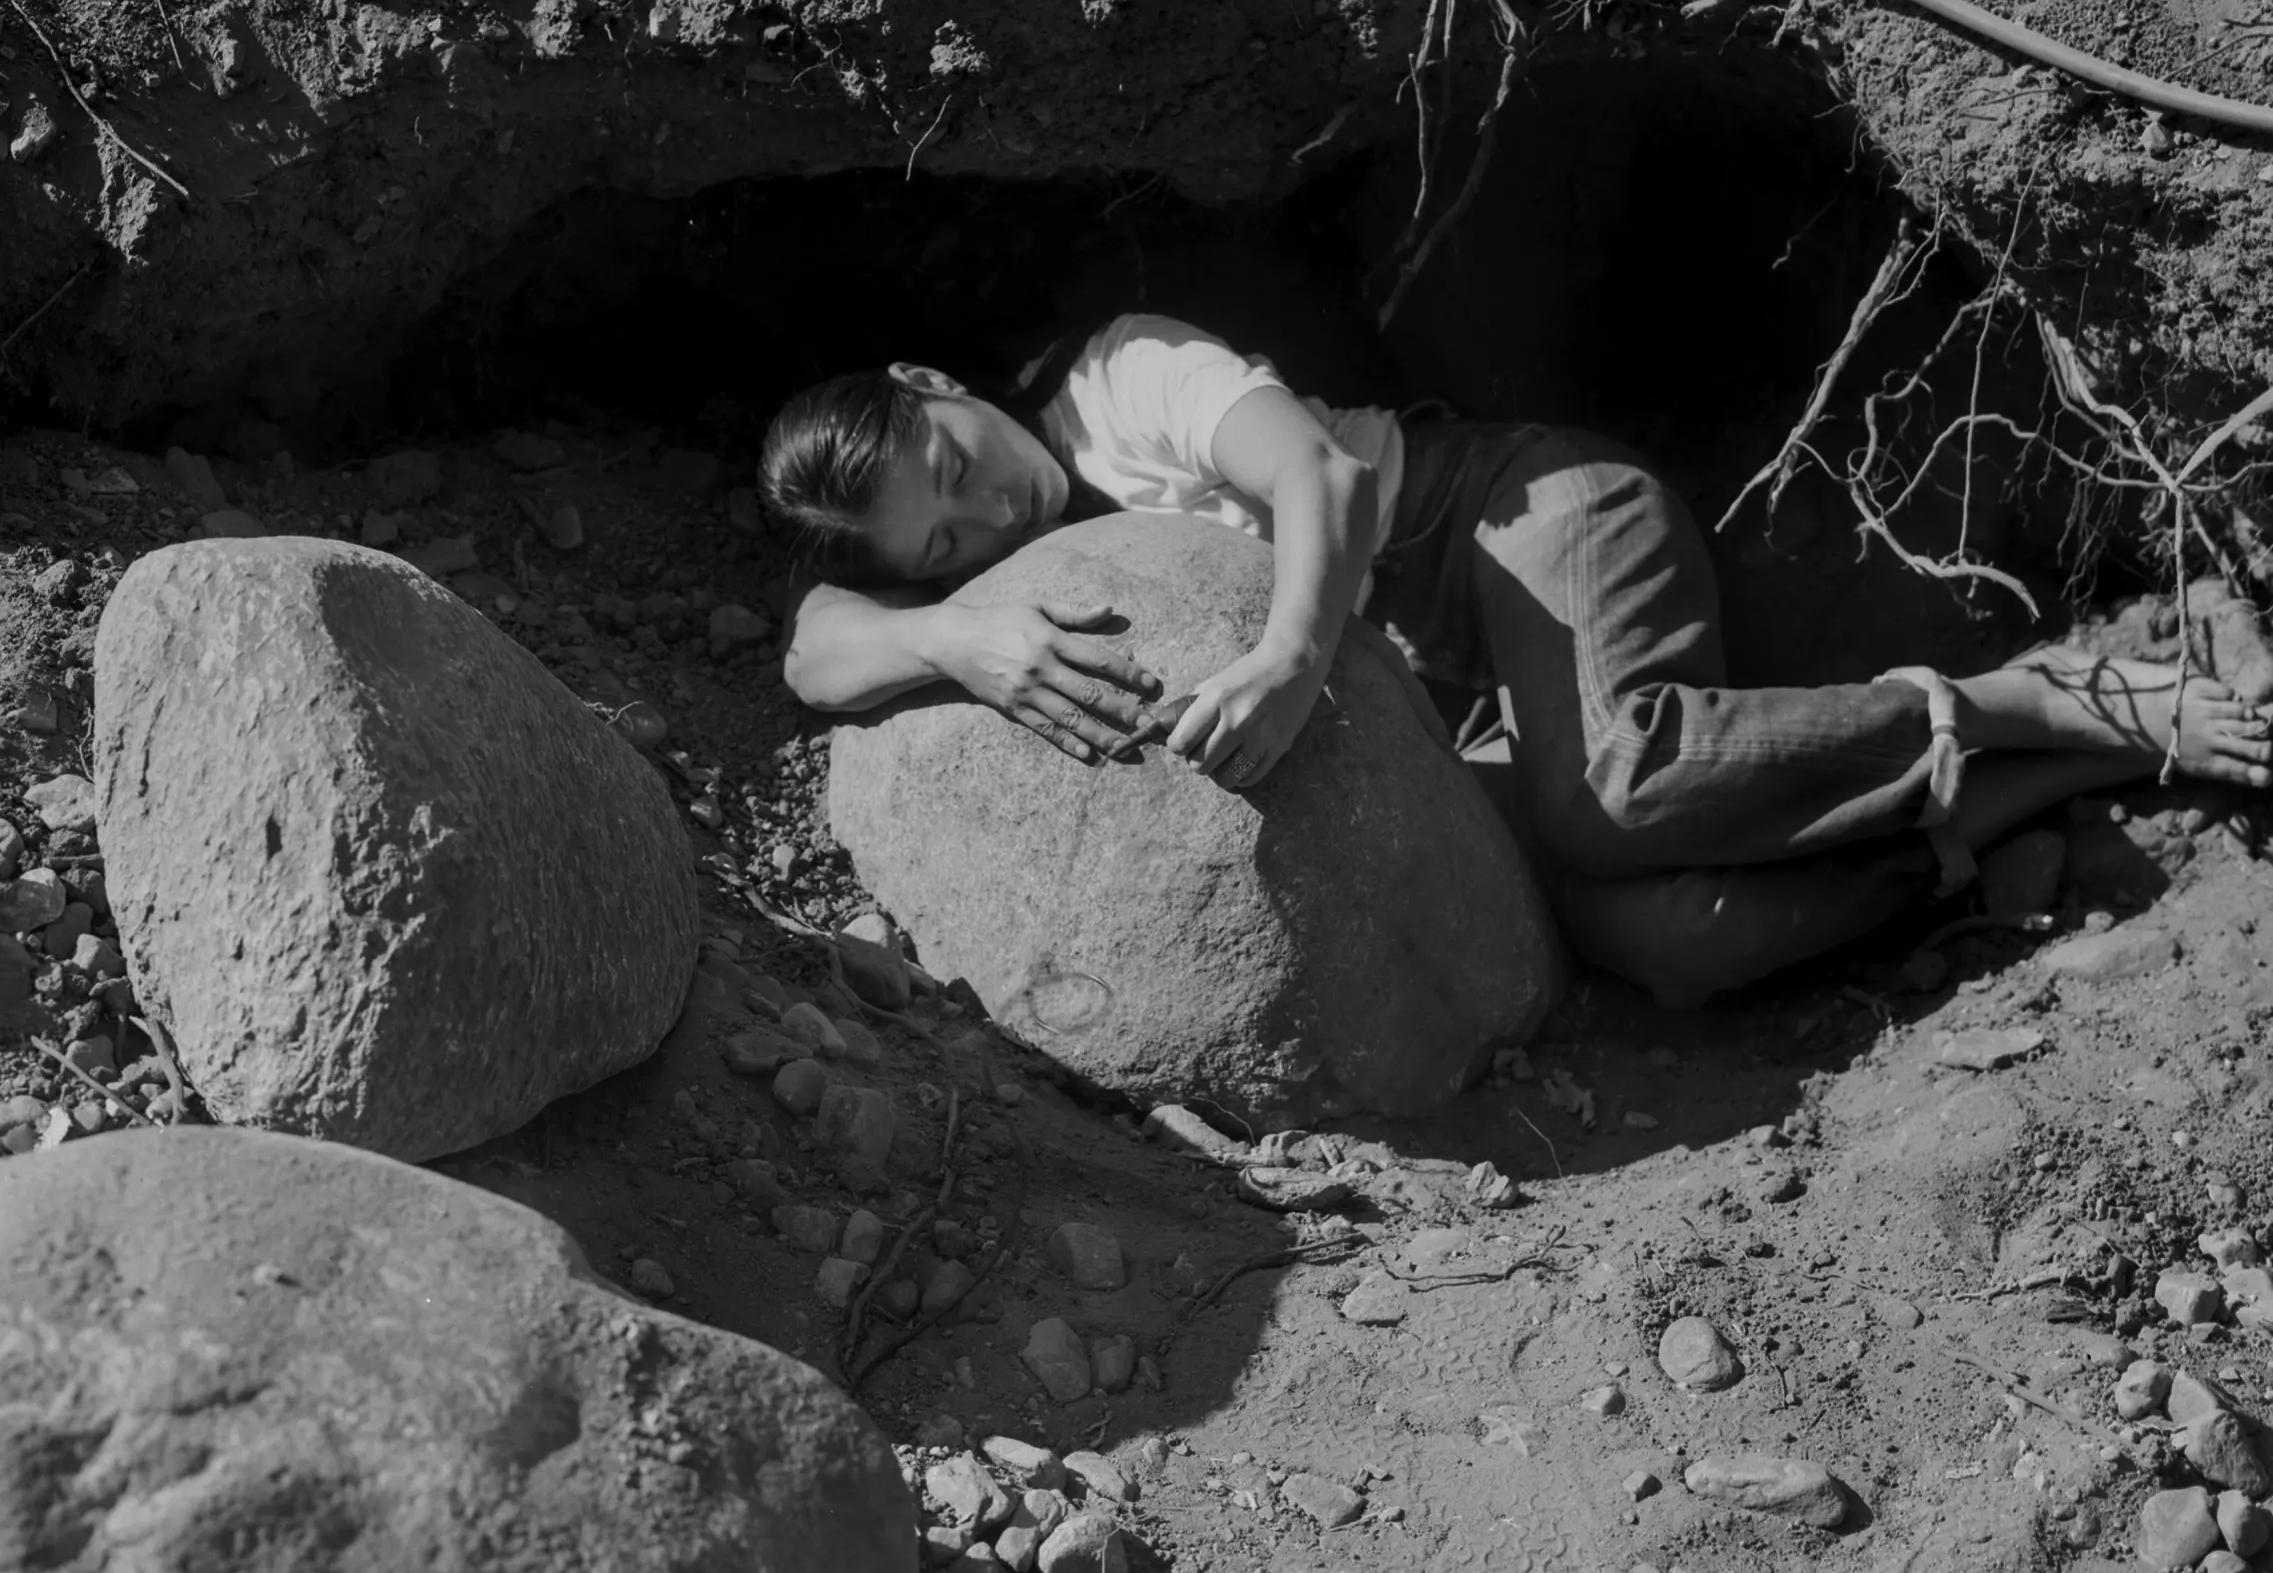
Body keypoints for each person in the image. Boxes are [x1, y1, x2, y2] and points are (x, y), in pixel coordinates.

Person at [760, 312, 2272, 1007]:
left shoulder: (1113, 381)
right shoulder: (975, 580)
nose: (990, 513)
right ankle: (2045, 784)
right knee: (1676, 939)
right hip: (1460, 711)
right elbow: (814, 651)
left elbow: (1317, 479)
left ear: (932, 379)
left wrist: (1292, 654)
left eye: (953, 463)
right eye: (942, 538)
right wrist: (951, 629)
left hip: (1513, 519)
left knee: (1610, 781)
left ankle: (2035, 693)